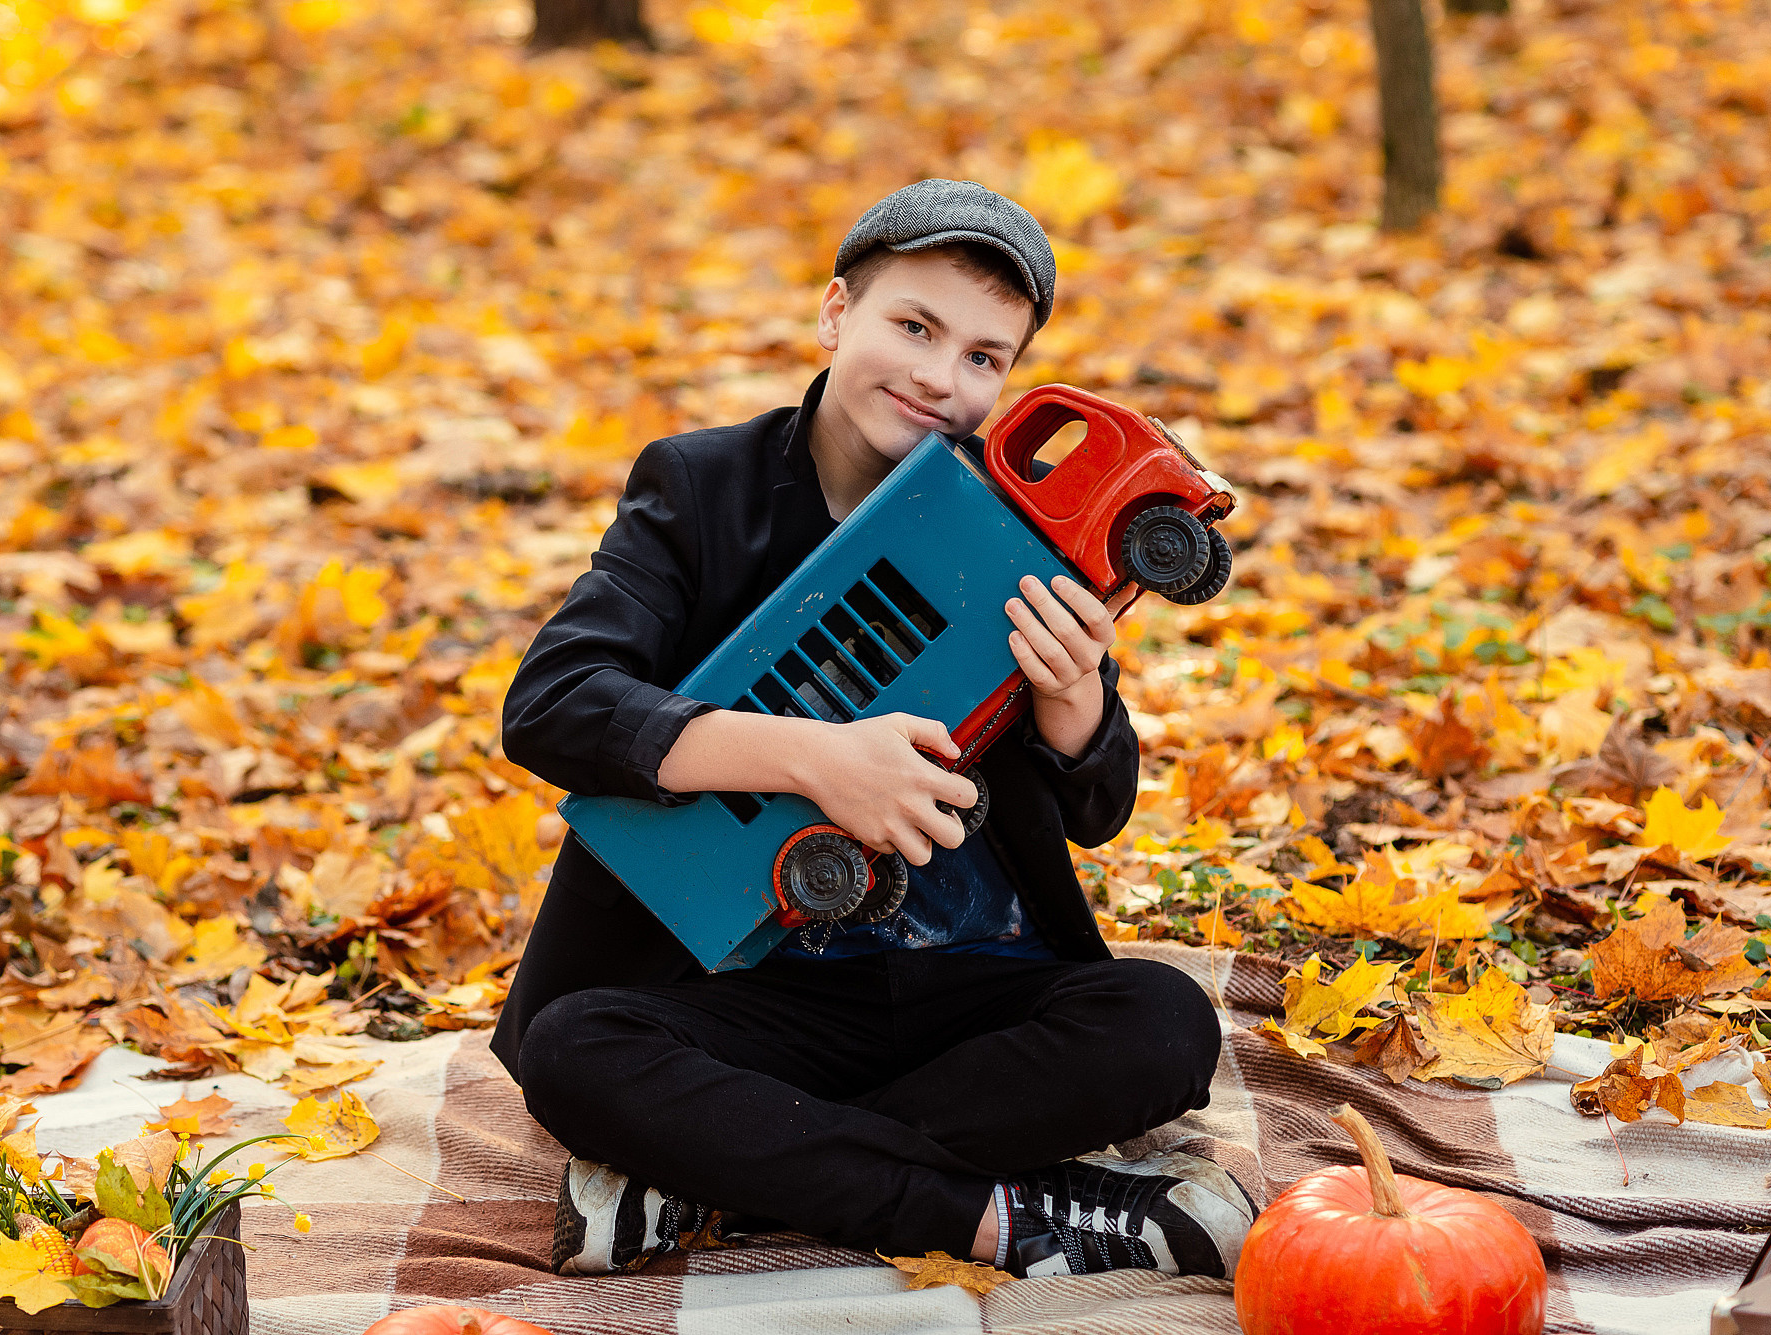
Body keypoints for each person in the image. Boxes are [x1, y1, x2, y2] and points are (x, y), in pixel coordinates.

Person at [495, 179, 1253, 1281]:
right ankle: (992, 1215)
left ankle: (724, 1182)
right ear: (836, 312)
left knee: (1164, 1024)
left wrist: (1071, 698)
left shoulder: (1010, 522)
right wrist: (814, 759)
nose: (940, 377)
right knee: (574, 1050)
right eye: (914, 326)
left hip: (970, 990)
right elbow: (554, 702)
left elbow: (1097, 810)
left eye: (984, 357)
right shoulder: (702, 488)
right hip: (746, 995)